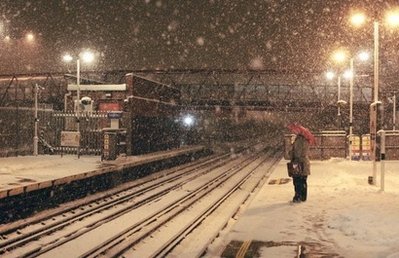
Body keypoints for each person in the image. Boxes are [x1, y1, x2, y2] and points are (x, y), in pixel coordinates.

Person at [289, 131, 311, 203]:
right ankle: (303, 197)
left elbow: (297, 154)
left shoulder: (299, 141)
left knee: (297, 181)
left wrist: (291, 151)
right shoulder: (306, 140)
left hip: (298, 163)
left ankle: (298, 197)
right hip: (305, 162)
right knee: (303, 181)